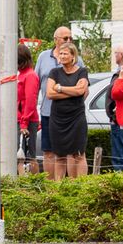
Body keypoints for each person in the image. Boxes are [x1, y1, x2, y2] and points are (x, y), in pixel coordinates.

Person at [35, 26, 80, 173]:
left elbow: (83, 89)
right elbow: (36, 84)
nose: (69, 41)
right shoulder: (43, 57)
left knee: (71, 152)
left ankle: (71, 187)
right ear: (55, 40)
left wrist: (74, 103)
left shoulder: (78, 60)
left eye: (71, 38)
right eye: (65, 38)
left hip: (70, 114)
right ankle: (51, 188)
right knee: (48, 151)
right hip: (48, 112)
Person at [44, 42, 90, 179]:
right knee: (59, 155)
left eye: (65, 54)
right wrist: (73, 92)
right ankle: (59, 188)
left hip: (76, 118)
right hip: (58, 119)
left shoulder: (82, 71)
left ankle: (81, 186)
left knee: (79, 154)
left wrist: (60, 88)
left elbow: (82, 90)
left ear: (73, 56)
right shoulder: (55, 72)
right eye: (61, 54)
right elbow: (49, 94)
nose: (62, 56)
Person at [104, 44, 123, 171]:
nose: (114, 55)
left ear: (122, 55)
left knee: (122, 157)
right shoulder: (119, 72)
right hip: (117, 119)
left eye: (116, 53)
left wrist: (114, 113)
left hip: (122, 120)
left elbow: (116, 93)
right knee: (120, 155)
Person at [16, 44, 39, 175]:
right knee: (19, 155)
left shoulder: (30, 75)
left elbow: (30, 101)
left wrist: (24, 123)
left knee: (29, 155)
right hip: (20, 119)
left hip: (27, 120)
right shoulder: (20, 75)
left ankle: (35, 181)